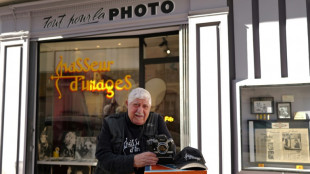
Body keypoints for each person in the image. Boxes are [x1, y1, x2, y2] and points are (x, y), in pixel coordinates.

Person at [95, 87, 173, 174]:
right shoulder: (111, 123)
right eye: (136, 105)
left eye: (145, 106)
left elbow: (170, 152)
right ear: (127, 104)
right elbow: (103, 157)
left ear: (150, 108)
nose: (140, 111)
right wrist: (133, 161)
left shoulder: (157, 120)